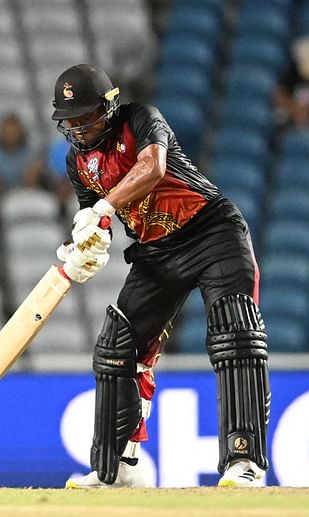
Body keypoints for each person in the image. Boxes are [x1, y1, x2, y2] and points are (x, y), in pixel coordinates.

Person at [51, 64, 270, 489]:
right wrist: (86, 248)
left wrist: (103, 210)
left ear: (109, 107)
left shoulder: (140, 119)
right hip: (157, 250)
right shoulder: (77, 162)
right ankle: (118, 468)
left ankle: (244, 461)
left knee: (235, 334)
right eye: (70, 121)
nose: (78, 129)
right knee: (117, 347)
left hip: (212, 231)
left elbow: (151, 169)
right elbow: (95, 221)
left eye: (86, 117)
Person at [0, 112, 44, 220]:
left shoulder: (31, 153)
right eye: (7, 131)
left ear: (21, 132)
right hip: (0, 192)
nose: (11, 135)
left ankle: (29, 216)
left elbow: (32, 180)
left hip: (24, 190)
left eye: (14, 131)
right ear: (1, 133)